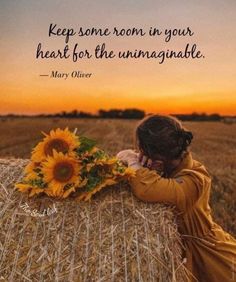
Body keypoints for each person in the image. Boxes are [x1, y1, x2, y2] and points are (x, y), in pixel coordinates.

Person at [117, 114, 236, 282]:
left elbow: (149, 189)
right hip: (177, 252)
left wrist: (132, 161)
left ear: (156, 157)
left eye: (141, 149)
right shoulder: (166, 168)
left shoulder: (195, 179)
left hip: (209, 258)